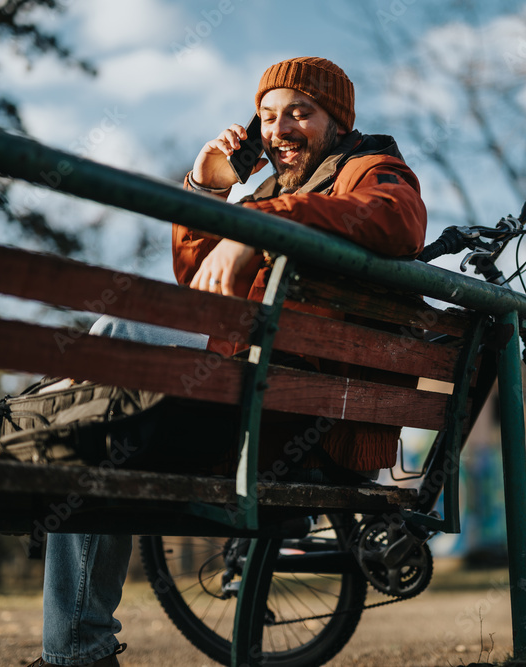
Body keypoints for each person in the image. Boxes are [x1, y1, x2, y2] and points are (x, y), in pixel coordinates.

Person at [28, 56, 428, 667]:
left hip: (307, 425)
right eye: (267, 116)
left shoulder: (370, 167)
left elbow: (398, 221)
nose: (280, 128)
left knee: (114, 349)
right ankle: (76, 639)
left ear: (337, 122)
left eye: (300, 111)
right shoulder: (272, 191)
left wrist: (254, 229)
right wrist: (210, 189)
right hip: (266, 404)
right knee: (97, 422)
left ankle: (78, 649)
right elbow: (199, 282)